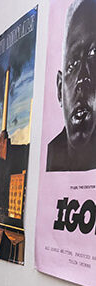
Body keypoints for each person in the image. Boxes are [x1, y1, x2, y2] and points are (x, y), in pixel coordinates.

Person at [46, 0, 96, 172]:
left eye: (93, 54)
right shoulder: (51, 153)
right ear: (60, 89)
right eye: (72, 64)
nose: (82, 78)